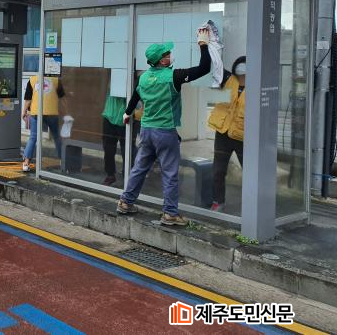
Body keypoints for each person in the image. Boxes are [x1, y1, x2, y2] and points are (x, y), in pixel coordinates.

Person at [117, 30, 211, 226]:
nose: (170, 55)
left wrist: (127, 113)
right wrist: (203, 44)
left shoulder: (143, 77)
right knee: (169, 173)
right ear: (162, 61)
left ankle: (125, 202)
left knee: (139, 168)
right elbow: (204, 68)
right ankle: (170, 214)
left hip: (146, 130)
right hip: (165, 132)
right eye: (168, 54)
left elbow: (135, 97)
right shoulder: (174, 76)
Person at [207, 56, 246, 212]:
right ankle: (218, 201)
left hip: (243, 136)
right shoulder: (228, 79)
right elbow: (214, 64)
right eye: (239, 65)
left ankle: (251, 206)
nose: (241, 68)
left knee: (249, 172)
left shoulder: (257, 84)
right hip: (223, 133)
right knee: (218, 171)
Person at [21, 75, 67, 172]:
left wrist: (24, 111)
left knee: (33, 137)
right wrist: (65, 112)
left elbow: (28, 100)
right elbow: (62, 99)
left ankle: (26, 163)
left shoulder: (33, 79)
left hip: (36, 112)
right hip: (52, 113)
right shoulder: (56, 80)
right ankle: (63, 162)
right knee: (57, 137)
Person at [101, 94, 127, 186]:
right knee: (108, 149)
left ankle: (127, 176)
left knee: (127, 150)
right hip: (109, 116)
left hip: (126, 118)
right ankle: (110, 175)